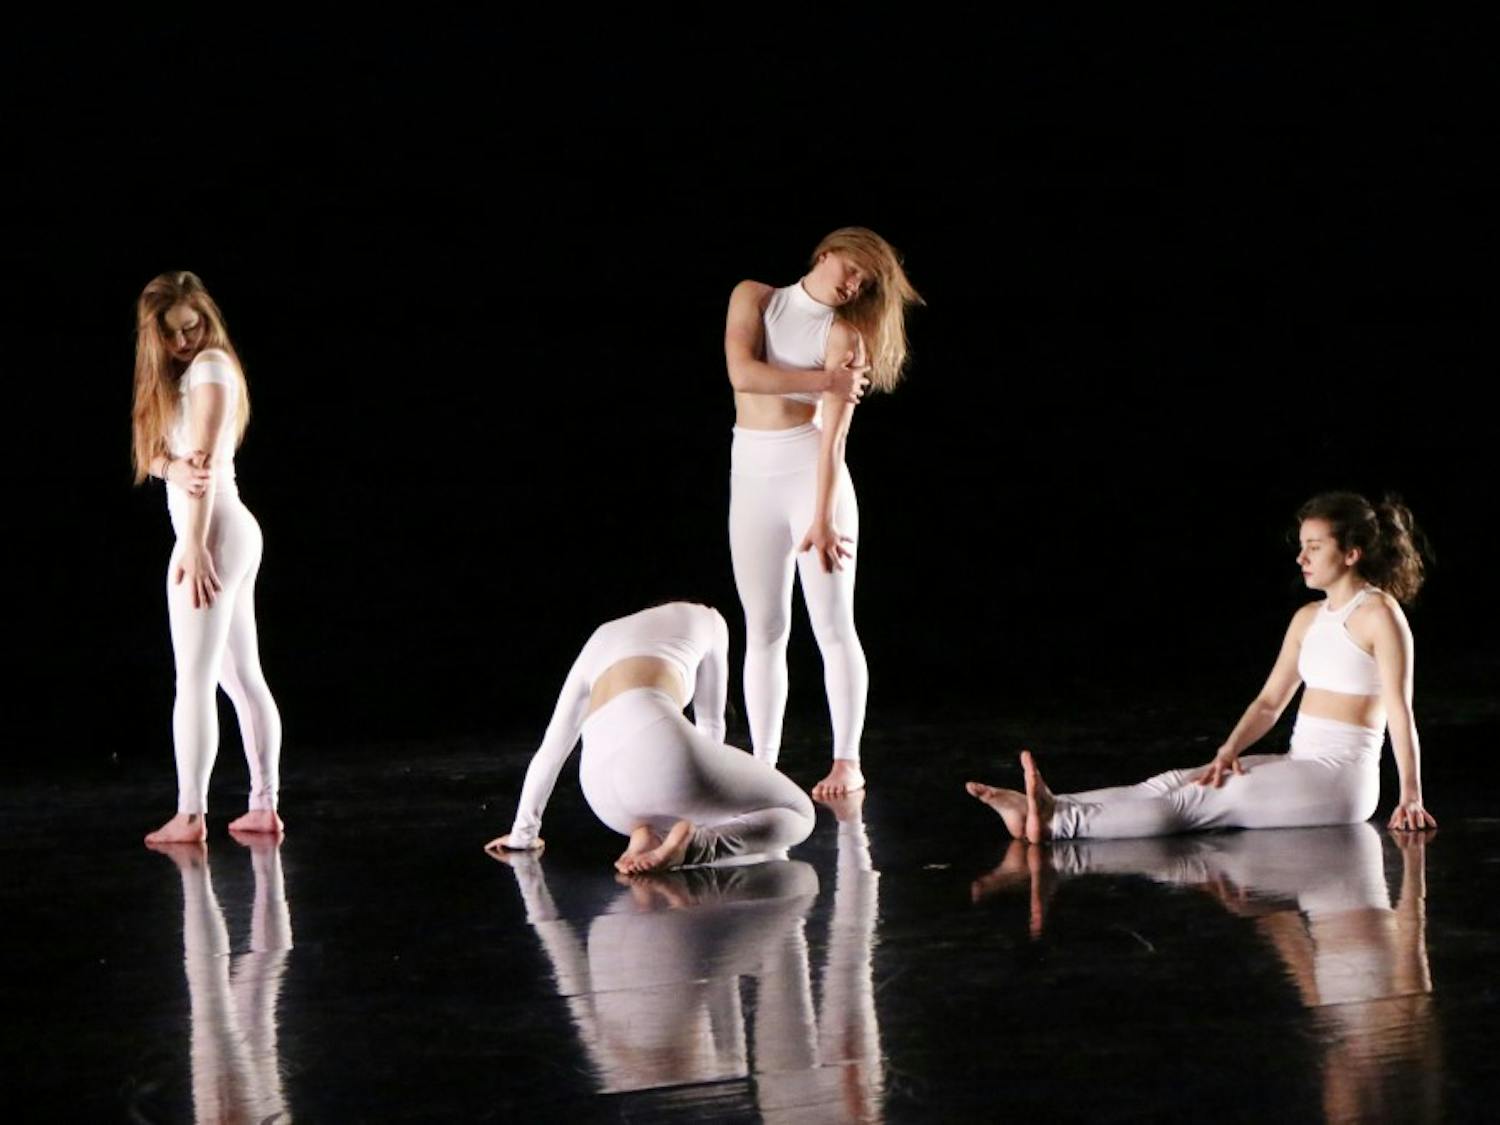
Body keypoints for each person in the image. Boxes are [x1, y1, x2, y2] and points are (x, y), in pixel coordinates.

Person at [967, 492, 1437, 841]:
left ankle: (1059, 824)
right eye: (1301, 546)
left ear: (1352, 554)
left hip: (1342, 783)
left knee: (1198, 800)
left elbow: (1400, 711)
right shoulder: (1308, 618)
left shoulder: (1379, 614)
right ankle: (1051, 806)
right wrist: (1228, 750)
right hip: (1302, 765)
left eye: (1314, 546)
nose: (1301, 557)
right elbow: (1269, 703)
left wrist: (1410, 796)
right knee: (1177, 781)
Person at [724, 227, 922, 799]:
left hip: (812, 479)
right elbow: (743, 374)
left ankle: (847, 762)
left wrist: (823, 517)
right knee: (764, 629)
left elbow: (834, 439)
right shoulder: (754, 297)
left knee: (833, 627)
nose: (854, 285)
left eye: (865, 282)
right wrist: (826, 380)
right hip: (750, 477)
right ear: (827, 253)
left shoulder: (844, 337)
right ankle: (763, 764)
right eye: (852, 269)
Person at [485, 602, 815, 871]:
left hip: (602, 794)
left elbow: (551, 750)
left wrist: (522, 835)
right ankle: (697, 847)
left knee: (672, 794)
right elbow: (711, 725)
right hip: (658, 749)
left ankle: (647, 835)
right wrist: (714, 804)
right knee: (799, 813)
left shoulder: (602, 635)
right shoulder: (708, 618)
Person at [133, 271, 283, 844]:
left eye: (191, 328)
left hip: (214, 528)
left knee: (195, 681)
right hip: (225, 529)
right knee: (239, 678)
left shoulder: (211, 367)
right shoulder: (178, 377)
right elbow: (159, 459)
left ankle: (191, 814)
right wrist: (169, 467)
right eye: (171, 333)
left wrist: (194, 546)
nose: (183, 341)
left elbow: (203, 471)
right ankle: (262, 806)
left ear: (207, 320)